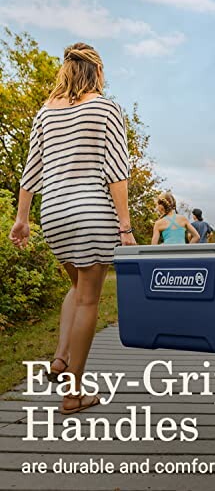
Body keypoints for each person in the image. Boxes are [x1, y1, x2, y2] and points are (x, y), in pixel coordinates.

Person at [9, 43, 136, 415]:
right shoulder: (106, 108)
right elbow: (117, 171)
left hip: (54, 214)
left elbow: (32, 170)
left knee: (76, 286)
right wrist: (125, 227)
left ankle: (61, 356)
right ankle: (73, 393)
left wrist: (22, 219)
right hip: (92, 211)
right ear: (97, 72)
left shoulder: (45, 112)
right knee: (88, 299)